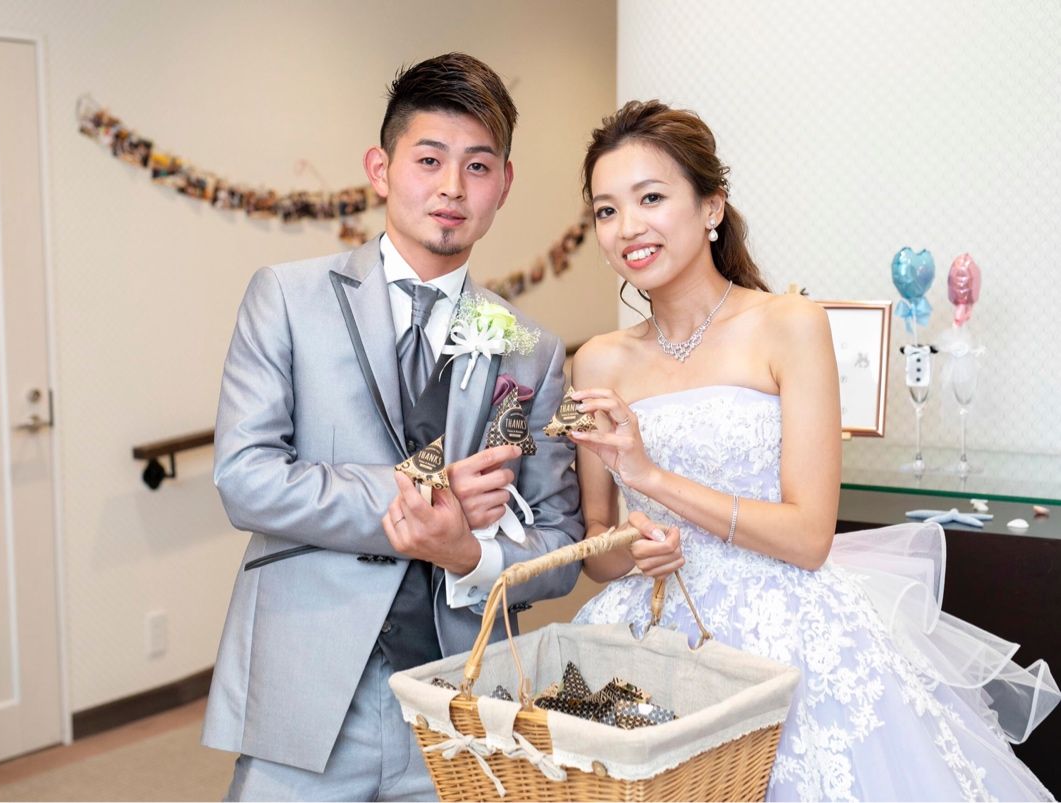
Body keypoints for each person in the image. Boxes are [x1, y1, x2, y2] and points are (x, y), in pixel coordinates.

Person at [567, 99, 1058, 801]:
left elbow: (807, 537)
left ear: (711, 206)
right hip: (654, 636)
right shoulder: (596, 361)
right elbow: (598, 550)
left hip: (788, 633)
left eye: (651, 198)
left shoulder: (788, 324)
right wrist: (634, 546)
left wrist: (650, 477)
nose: (627, 228)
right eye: (606, 210)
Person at [202, 53, 583, 802]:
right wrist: (424, 496)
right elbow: (244, 480)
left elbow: (560, 547)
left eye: (478, 166)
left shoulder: (530, 350)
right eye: (429, 159)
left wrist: (469, 553)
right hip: (308, 685)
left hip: (457, 701)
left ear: (504, 184)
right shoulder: (287, 298)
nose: (452, 187)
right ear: (380, 169)